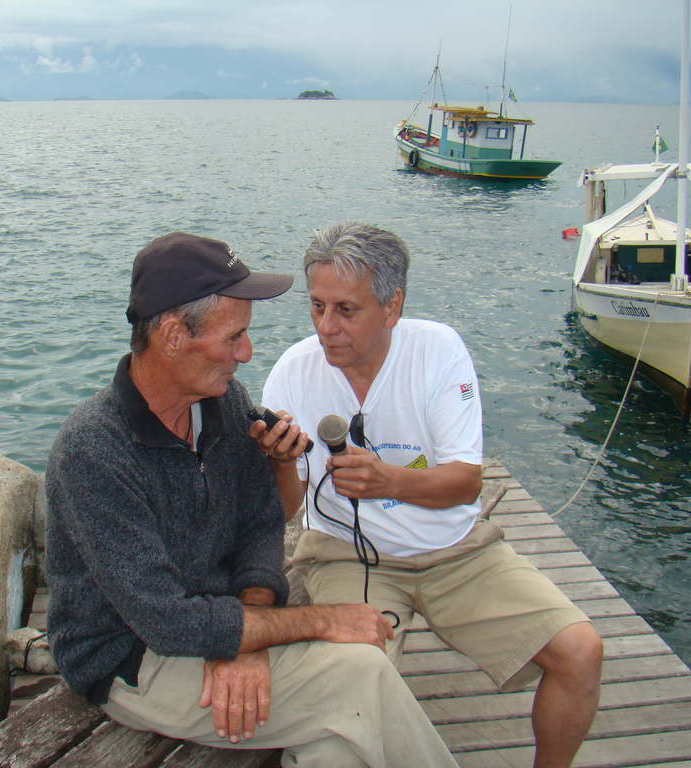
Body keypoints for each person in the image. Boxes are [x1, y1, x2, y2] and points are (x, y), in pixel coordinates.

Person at [45, 231, 459, 768]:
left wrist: (247, 631)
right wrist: (319, 620)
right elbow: (166, 621)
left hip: (218, 620)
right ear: (173, 335)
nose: (247, 352)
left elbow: (262, 522)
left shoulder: (223, 401)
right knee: (362, 674)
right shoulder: (93, 452)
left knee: (338, 742)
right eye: (234, 336)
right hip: (133, 657)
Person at [255, 222, 604, 768]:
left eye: (347, 309)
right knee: (350, 696)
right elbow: (288, 509)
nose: (327, 327)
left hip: (457, 552)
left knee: (581, 652)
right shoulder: (292, 374)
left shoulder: (438, 351)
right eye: (317, 306)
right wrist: (279, 462)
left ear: (392, 306)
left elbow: (465, 482)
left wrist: (387, 480)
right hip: (348, 556)